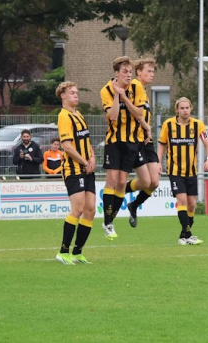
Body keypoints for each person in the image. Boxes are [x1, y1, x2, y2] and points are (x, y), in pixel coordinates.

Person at [100, 56, 152, 240]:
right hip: (114, 141)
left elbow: (139, 113)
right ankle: (108, 223)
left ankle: (110, 218)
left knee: (122, 182)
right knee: (112, 179)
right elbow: (113, 116)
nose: (129, 75)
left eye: (130, 72)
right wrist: (116, 94)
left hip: (132, 142)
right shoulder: (106, 90)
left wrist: (123, 96)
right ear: (116, 73)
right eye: (125, 72)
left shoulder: (137, 87)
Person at [157, 97, 208, 245]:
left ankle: (183, 236)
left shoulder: (198, 125)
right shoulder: (168, 125)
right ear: (177, 110)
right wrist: (158, 162)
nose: (185, 110)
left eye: (187, 108)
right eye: (182, 108)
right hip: (175, 171)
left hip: (191, 171)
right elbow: (162, 144)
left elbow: (207, 144)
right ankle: (188, 235)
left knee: (192, 204)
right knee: (181, 200)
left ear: (191, 108)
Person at [54, 81, 97, 265]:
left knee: (90, 210)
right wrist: (84, 161)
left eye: (76, 92)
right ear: (63, 96)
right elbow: (67, 146)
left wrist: (93, 157)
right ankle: (63, 252)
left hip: (87, 168)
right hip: (73, 169)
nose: (76, 95)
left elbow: (86, 141)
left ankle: (77, 252)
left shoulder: (78, 114)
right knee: (78, 209)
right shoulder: (64, 116)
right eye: (72, 92)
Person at [121, 58, 162, 228]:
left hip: (147, 140)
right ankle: (119, 192)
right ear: (139, 72)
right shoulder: (136, 85)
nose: (152, 74)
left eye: (153, 71)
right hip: (137, 139)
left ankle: (133, 205)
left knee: (154, 183)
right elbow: (135, 112)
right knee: (145, 182)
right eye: (149, 71)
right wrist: (144, 127)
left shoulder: (144, 91)